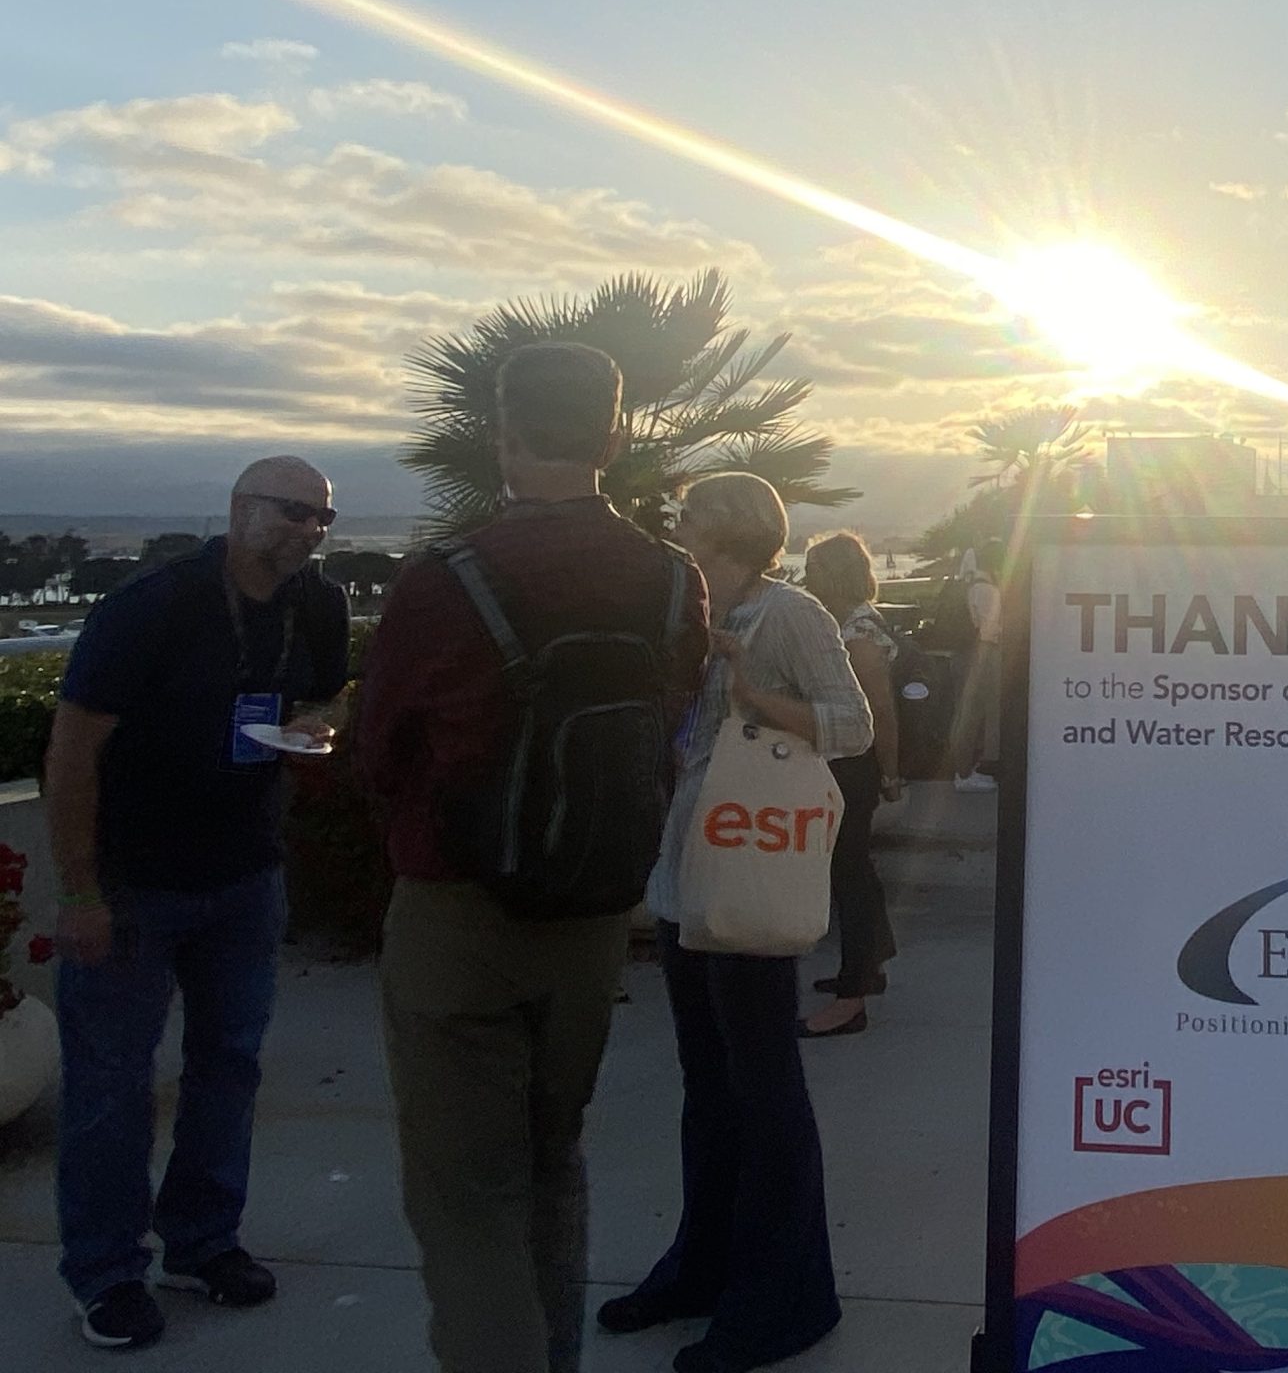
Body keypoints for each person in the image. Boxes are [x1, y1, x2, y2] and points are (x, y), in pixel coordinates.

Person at [360, 345, 709, 1373]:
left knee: (468, 1204)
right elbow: (670, 721)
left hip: (457, 914)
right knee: (553, 1165)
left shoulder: (444, 578)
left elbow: (380, 751)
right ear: (614, 436)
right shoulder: (669, 576)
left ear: (502, 436)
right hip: (593, 916)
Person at [43, 458, 350, 1350]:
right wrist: (79, 891)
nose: (309, 530)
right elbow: (71, 753)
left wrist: (317, 725)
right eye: (293, 512)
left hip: (245, 876)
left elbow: (330, 692)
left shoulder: (316, 605)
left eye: (324, 518)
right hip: (134, 884)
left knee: (230, 1067)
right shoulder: (155, 604)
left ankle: (203, 1242)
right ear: (240, 508)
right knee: (111, 1089)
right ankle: (103, 1274)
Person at [604, 471, 871, 1371]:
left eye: (691, 527)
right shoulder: (691, 611)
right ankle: (702, 1265)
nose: (680, 537)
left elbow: (852, 723)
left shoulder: (789, 615)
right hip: (690, 873)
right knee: (708, 1084)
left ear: (730, 536)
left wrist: (751, 693)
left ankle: (787, 1294)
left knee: (764, 1087)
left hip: (749, 874)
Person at [799, 531, 906, 1035]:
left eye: (815, 567)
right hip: (845, 762)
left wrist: (890, 771)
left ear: (836, 573)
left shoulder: (858, 632)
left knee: (848, 874)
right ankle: (873, 958)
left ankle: (853, 994)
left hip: (854, 764)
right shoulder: (843, 622)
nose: (806, 575)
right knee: (853, 866)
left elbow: (878, 709)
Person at [946, 545, 1003, 792]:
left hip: (961, 653)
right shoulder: (988, 590)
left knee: (965, 711)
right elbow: (989, 631)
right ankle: (976, 769)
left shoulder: (966, 586)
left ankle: (960, 767)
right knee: (988, 711)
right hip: (982, 654)